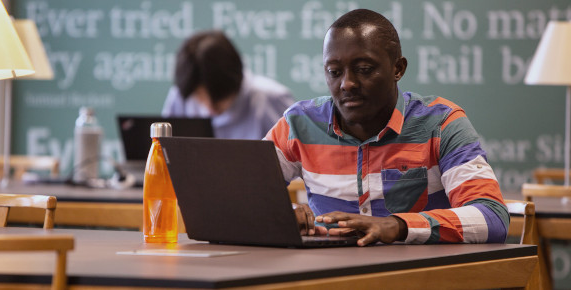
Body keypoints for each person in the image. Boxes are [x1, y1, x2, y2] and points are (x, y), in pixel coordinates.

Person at [266, 9, 508, 246]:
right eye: (334, 72)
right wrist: (284, 213)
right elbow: (239, 197)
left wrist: (397, 226)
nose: (347, 83)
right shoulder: (298, 124)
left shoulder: (441, 123)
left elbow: (492, 217)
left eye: (364, 70)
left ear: (398, 69)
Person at [162, 30, 295, 140]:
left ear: (235, 82)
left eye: (219, 98)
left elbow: (297, 162)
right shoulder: (180, 96)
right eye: (199, 98)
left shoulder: (271, 98)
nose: (210, 108)